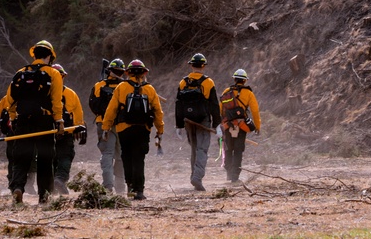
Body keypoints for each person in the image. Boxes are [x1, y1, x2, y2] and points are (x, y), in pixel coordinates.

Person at [0, 40, 64, 204]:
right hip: (44, 121)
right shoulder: (53, 74)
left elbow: (9, 100)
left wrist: (13, 119)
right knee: (45, 158)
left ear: (34, 54)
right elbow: (56, 101)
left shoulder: (20, 73)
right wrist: (59, 121)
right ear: (49, 56)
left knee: (21, 158)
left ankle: (18, 188)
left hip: (23, 121)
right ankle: (44, 196)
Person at [100, 59, 164, 200]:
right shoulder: (149, 89)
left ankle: (130, 188)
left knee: (127, 158)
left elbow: (111, 110)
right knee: (139, 159)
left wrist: (106, 127)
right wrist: (160, 130)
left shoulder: (121, 87)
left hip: (124, 129)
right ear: (144, 73)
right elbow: (158, 112)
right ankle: (139, 191)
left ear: (128, 73)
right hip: (143, 129)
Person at [174, 52, 220, 191]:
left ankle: (194, 175)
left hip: (188, 121)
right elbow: (214, 105)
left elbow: (178, 105)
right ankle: (197, 177)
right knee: (202, 149)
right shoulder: (208, 82)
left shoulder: (183, 82)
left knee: (194, 150)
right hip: (203, 121)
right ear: (203, 66)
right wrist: (217, 124)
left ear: (191, 66)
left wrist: (179, 125)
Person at [90, 58, 126, 193]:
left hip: (104, 124)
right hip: (122, 125)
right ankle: (121, 186)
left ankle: (108, 186)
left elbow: (92, 105)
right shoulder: (126, 86)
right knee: (121, 155)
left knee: (107, 154)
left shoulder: (99, 85)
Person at [220, 68, 261, 184]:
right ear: (245, 81)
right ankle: (235, 176)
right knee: (238, 150)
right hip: (242, 125)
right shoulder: (249, 93)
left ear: (234, 79)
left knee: (228, 149)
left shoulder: (226, 91)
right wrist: (257, 126)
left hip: (228, 125)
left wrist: (221, 124)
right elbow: (255, 111)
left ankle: (229, 172)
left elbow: (220, 109)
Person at [52, 63, 86, 195]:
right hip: (67, 132)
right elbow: (78, 114)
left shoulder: (42, 94)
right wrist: (80, 128)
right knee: (66, 156)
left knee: (50, 157)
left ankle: (51, 184)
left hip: (47, 132)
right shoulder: (71, 94)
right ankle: (59, 179)